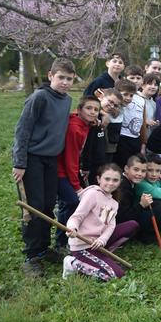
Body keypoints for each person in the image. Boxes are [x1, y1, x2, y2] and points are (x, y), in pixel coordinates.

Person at [12, 58, 75, 277]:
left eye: (69, 79)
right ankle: (31, 256)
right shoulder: (39, 98)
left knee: (48, 206)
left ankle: (43, 248)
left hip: (51, 160)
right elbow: (22, 130)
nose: (65, 82)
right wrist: (20, 163)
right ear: (50, 76)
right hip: (32, 159)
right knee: (34, 208)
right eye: (61, 78)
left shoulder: (67, 100)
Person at [63, 163, 139, 281]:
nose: (110, 183)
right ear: (99, 179)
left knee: (132, 225)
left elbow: (109, 225)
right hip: (82, 246)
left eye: (115, 180)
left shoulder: (113, 202)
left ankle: (103, 254)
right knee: (116, 275)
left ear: (120, 182)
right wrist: (73, 228)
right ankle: (72, 263)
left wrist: (102, 240)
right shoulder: (92, 194)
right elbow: (77, 217)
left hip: (97, 243)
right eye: (107, 179)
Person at [55, 95, 101, 253]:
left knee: (70, 203)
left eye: (96, 109)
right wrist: (76, 186)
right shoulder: (75, 128)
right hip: (60, 171)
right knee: (72, 202)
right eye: (89, 108)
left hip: (69, 170)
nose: (93, 112)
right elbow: (70, 159)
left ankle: (68, 236)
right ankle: (61, 242)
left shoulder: (84, 123)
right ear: (80, 109)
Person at [116, 154, 161, 244]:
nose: (139, 174)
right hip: (119, 224)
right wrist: (141, 205)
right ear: (126, 169)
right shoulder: (122, 188)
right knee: (160, 205)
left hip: (130, 216)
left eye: (143, 171)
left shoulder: (131, 181)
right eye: (136, 170)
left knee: (159, 203)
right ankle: (143, 235)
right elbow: (122, 217)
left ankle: (155, 231)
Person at [115, 73, 159, 166]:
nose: (135, 81)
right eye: (132, 78)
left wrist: (143, 143)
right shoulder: (117, 99)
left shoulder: (141, 100)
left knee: (133, 165)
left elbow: (142, 123)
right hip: (121, 139)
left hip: (136, 140)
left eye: (138, 78)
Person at [83, 88, 123, 187]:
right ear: (101, 97)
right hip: (88, 164)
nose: (111, 106)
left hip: (100, 162)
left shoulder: (106, 117)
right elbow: (87, 144)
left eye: (115, 105)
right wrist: (85, 166)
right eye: (110, 101)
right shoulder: (92, 117)